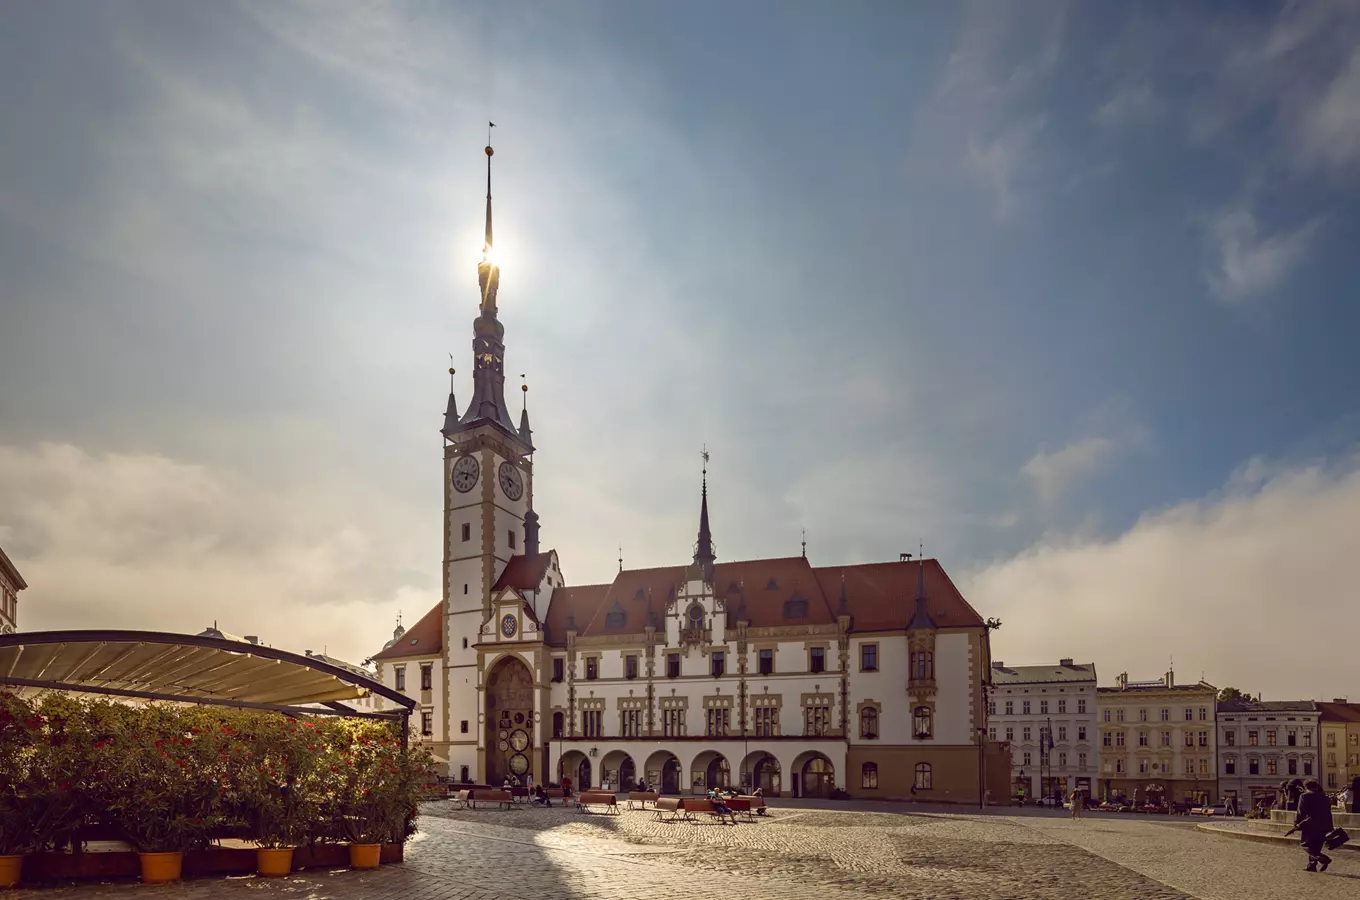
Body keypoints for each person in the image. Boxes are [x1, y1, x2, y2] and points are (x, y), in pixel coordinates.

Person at [1296, 780, 1335, 872]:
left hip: (1310, 825)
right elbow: (1328, 813)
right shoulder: (1325, 797)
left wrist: (1297, 824)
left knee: (1305, 844)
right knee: (1317, 846)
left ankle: (1322, 858)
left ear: (1306, 787)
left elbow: (1301, 812)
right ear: (1316, 786)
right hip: (1324, 825)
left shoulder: (1304, 796)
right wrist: (1330, 826)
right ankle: (1312, 865)